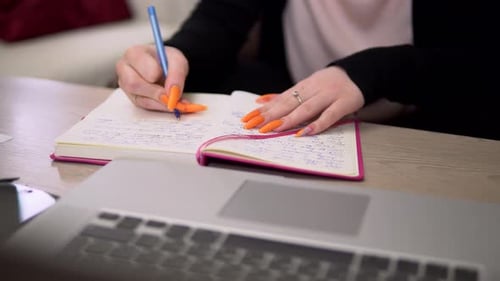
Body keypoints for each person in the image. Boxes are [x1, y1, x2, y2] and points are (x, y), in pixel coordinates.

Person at [116, 0, 498, 140]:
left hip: (427, 140)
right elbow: (218, 23)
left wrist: (371, 72)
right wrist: (175, 55)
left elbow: (479, 66)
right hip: (298, 140)